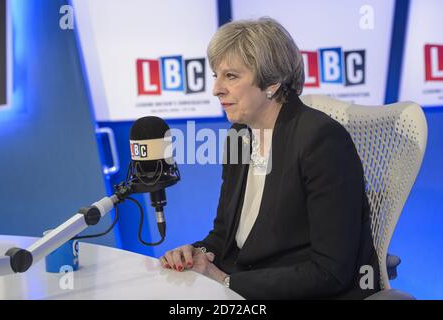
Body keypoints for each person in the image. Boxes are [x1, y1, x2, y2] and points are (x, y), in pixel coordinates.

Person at [159, 17, 380, 299]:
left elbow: (331, 270)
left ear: (272, 83)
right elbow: (225, 233)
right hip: (246, 284)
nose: (216, 89)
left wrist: (227, 282)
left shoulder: (322, 140)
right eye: (216, 75)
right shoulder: (240, 135)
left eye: (231, 76)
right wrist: (196, 253)